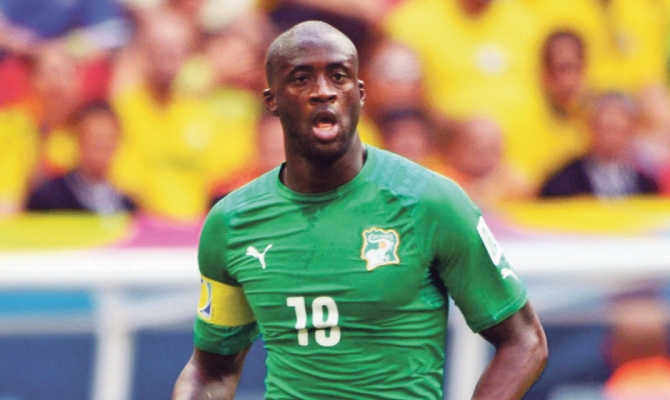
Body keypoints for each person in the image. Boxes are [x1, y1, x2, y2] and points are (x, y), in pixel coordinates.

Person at [173, 21, 547, 400]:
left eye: (338, 77)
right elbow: (211, 371)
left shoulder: (430, 201)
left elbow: (524, 341)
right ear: (272, 100)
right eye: (301, 79)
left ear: (360, 93)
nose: (323, 91)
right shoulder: (233, 222)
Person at [539, 92, 659, 198]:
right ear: (590, 129)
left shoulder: (646, 184)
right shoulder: (563, 181)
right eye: (606, 128)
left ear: (631, 131)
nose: (611, 137)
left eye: (618, 129)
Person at [26, 101, 135, 214]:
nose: (100, 144)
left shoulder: (127, 204)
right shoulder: (50, 197)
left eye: (107, 137)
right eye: (94, 136)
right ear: (78, 139)